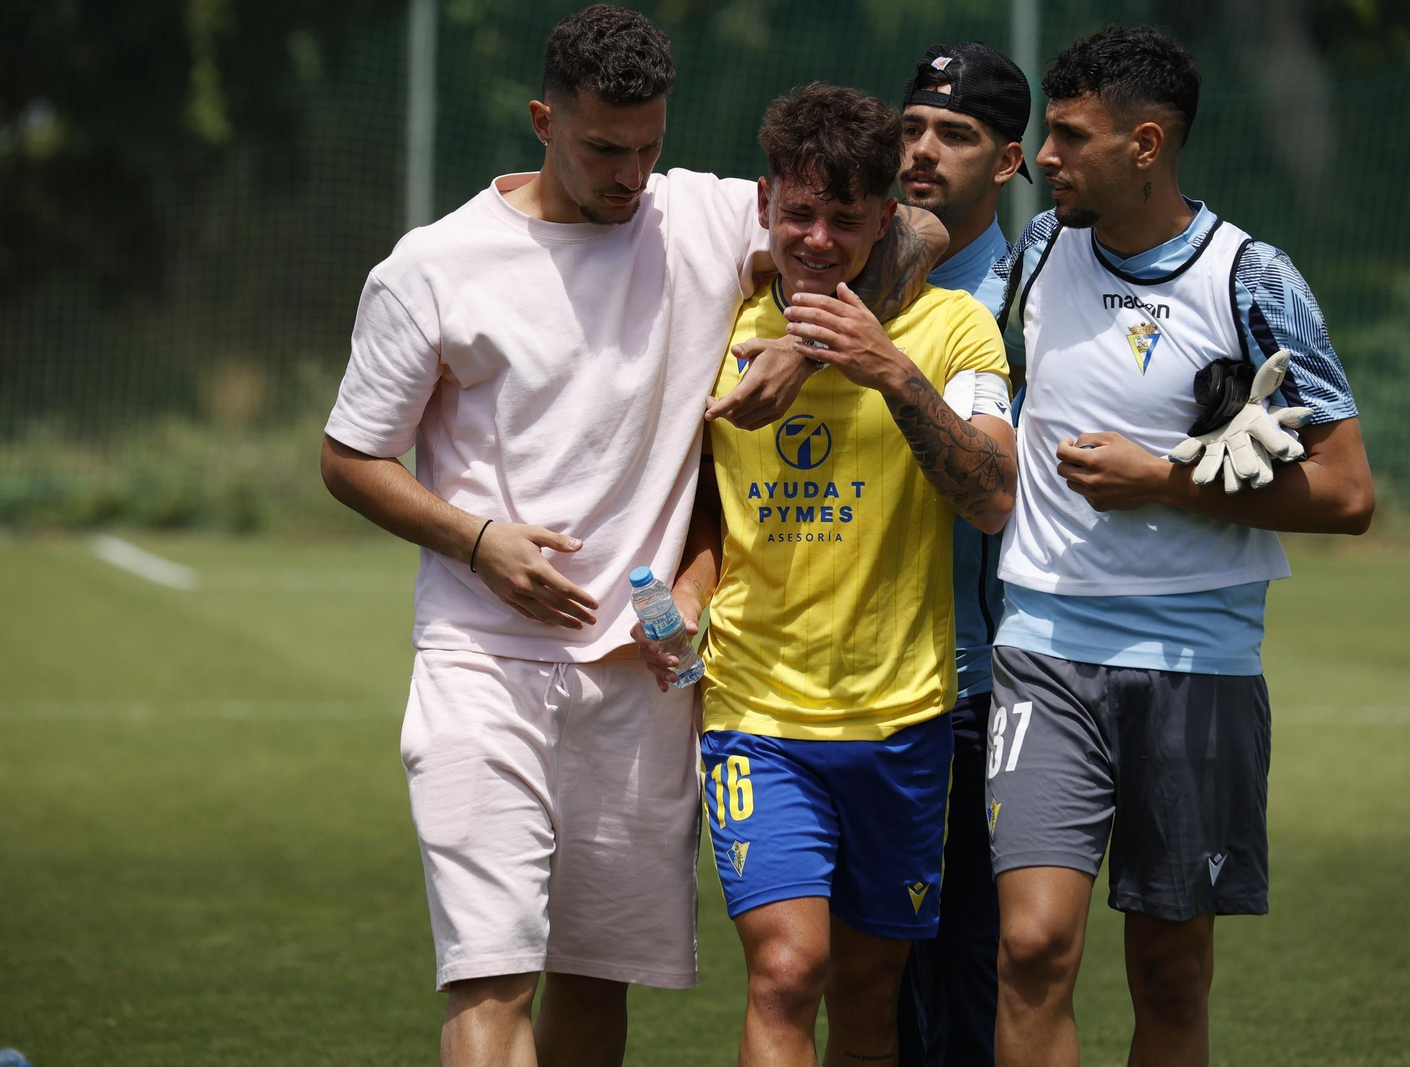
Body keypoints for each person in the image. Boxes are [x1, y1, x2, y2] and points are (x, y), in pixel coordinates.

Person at [317, 7, 945, 1066]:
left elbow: (914, 232)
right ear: (541, 120)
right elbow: (348, 457)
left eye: (647, 146)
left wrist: (801, 342)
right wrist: (477, 541)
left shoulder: (698, 215)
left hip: (645, 668)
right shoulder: (433, 267)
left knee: (596, 974)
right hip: (483, 657)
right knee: (492, 972)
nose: (628, 173)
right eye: (603, 148)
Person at [985, 26, 1374, 1067]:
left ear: (1146, 144)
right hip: (1044, 645)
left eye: (1069, 135)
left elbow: (1346, 491)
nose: (1045, 156)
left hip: (1197, 663)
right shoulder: (1036, 252)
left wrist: (1165, 478)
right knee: (1028, 945)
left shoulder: (1251, 277)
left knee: (1166, 971)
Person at [635, 82, 1016, 1067]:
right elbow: (709, 514)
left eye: (844, 219)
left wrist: (888, 370)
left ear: (884, 218)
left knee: (866, 985)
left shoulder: (954, 330)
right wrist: (686, 592)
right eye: (797, 213)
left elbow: (991, 496)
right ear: (764, 203)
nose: (815, 238)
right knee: (787, 969)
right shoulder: (714, 330)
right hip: (759, 713)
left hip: (904, 714)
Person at [891, 41, 1032, 1067]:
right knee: (868, 976)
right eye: (909, 128)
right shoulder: (842, 258)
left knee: (971, 974)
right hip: (847, 679)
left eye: (955, 134)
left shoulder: (1032, 291)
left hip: (977, 683)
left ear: (1010, 161)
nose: (922, 151)